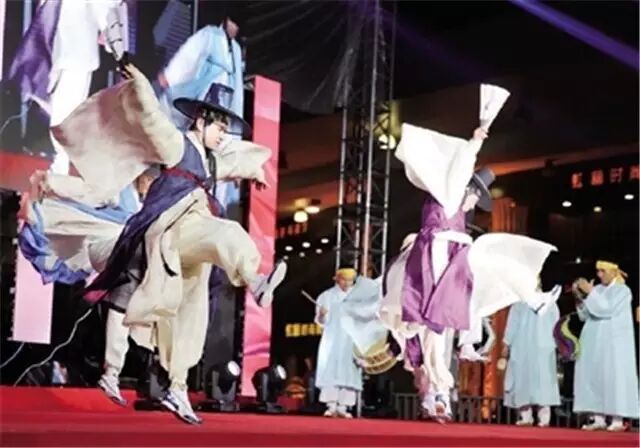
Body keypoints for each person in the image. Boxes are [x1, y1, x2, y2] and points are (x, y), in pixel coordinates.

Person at [51, 64, 287, 424]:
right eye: (219, 127)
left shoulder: (210, 160)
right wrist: (142, 85)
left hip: (190, 242)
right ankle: (254, 281)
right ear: (201, 122)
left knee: (191, 315)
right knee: (225, 235)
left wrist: (255, 173)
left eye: (225, 129)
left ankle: (178, 386)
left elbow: (233, 164)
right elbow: (152, 119)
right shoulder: (177, 145)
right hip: (169, 233)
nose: (223, 135)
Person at [9, 0, 129, 175]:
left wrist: (116, 46)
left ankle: (61, 166)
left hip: (78, 59)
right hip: (53, 57)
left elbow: (105, 11)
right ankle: (67, 159)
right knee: (55, 109)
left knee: (64, 114)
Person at [573, 260, 639, 432]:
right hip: (595, 343)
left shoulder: (622, 291)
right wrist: (580, 298)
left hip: (614, 344)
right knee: (595, 377)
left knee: (614, 378)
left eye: (603, 271)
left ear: (613, 271)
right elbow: (584, 315)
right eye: (598, 271)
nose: (599, 275)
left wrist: (590, 292)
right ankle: (598, 418)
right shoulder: (598, 290)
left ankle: (617, 419)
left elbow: (605, 309)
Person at [315, 267, 379, 418]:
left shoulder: (358, 297)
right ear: (337, 279)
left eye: (350, 281)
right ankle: (331, 405)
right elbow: (321, 321)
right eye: (344, 280)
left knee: (350, 371)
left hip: (352, 339)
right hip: (333, 339)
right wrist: (322, 315)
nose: (347, 283)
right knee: (331, 369)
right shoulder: (327, 296)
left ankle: (343, 407)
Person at [502, 284, 562, 427]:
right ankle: (529, 416)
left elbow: (556, 325)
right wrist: (507, 342)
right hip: (526, 347)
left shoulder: (548, 301)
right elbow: (513, 323)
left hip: (540, 348)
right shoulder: (521, 302)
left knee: (540, 381)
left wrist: (558, 343)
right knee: (527, 379)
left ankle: (540, 417)